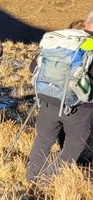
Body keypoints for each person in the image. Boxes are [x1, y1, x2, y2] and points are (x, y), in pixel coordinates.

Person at [25, 11, 93, 183]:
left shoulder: (61, 41)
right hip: (80, 107)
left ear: (87, 24)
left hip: (49, 99)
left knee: (43, 139)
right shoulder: (90, 45)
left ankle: (31, 177)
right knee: (73, 146)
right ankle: (47, 180)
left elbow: (33, 67)